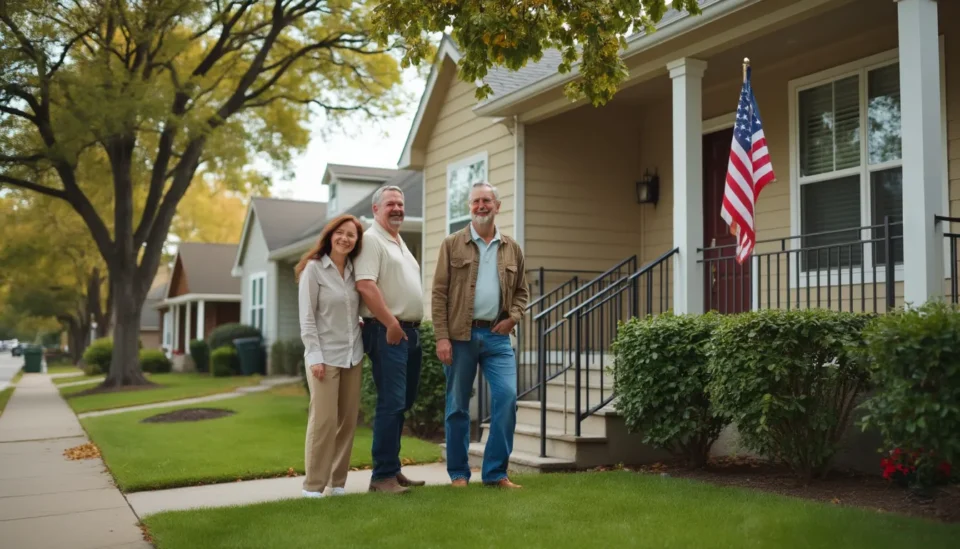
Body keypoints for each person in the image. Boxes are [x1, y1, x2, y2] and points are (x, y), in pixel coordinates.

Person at [432, 181, 529, 489]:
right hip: (460, 336)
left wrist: (513, 318)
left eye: (487, 200)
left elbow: (523, 293)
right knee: (458, 405)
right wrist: (442, 337)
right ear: (469, 207)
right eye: (475, 201)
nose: (481, 206)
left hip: (498, 337)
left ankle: (496, 473)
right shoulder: (452, 244)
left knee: (507, 398)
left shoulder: (512, 248)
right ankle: (459, 474)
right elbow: (439, 293)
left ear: (497, 206)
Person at [354, 185, 426, 494]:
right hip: (388, 332)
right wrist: (392, 323)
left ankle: (392, 470)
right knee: (391, 403)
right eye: (390, 204)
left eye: (400, 203)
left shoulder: (398, 241)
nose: (397, 208)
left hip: (409, 332)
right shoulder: (372, 240)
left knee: (402, 402)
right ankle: (381, 477)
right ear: (375, 209)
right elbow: (366, 286)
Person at [296, 214, 366, 499]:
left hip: (353, 354)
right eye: (340, 233)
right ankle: (313, 485)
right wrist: (314, 356)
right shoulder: (314, 269)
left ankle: (337, 483)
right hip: (323, 356)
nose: (345, 238)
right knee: (323, 421)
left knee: (347, 421)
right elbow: (307, 318)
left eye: (351, 235)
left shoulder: (354, 271)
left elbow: (352, 309)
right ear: (330, 235)